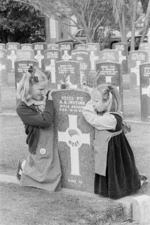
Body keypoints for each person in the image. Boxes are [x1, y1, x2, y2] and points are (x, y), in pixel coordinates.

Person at [82, 83, 147, 199]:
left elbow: (92, 118)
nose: (93, 104)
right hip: (114, 148)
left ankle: (117, 190)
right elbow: (99, 100)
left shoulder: (109, 119)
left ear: (107, 102)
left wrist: (87, 108)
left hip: (111, 151)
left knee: (114, 170)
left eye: (95, 102)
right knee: (117, 170)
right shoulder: (112, 113)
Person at [16, 66, 62, 192]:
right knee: (41, 162)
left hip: (51, 137)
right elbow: (45, 121)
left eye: (45, 89)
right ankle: (24, 167)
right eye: (40, 89)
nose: (43, 92)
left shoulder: (42, 98)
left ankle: (47, 181)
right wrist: (50, 102)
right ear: (29, 88)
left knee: (49, 163)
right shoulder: (22, 108)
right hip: (38, 139)